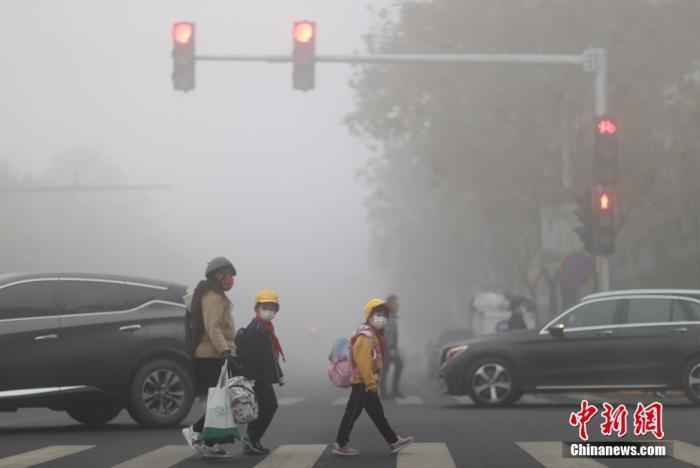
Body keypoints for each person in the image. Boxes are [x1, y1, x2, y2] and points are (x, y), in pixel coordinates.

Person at [332, 298, 414, 456]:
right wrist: (371, 385)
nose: (382, 317)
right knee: (352, 413)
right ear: (369, 315)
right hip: (362, 382)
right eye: (378, 313)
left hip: (367, 382)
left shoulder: (374, 334)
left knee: (375, 413)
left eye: (384, 315)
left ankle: (393, 441)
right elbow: (363, 363)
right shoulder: (366, 336)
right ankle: (341, 444)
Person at [181, 256, 238, 458]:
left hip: (215, 355)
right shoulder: (213, 297)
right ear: (218, 274)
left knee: (223, 401)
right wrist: (225, 350)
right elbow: (212, 328)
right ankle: (196, 431)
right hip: (212, 356)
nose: (231, 279)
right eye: (228, 275)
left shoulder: (216, 296)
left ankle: (210, 442)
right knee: (223, 401)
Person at [239, 289, 285, 456]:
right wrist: (249, 379)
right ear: (257, 308)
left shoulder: (266, 328)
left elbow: (270, 356)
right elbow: (250, 355)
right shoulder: (255, 328)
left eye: (272, 308)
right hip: (256, 377)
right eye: (265, 307)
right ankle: (251, 438)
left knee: (263, 407)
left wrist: (278, 375)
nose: (269, 311)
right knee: (269, 405)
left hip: (261, 376)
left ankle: (251, 440)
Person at [380, 294, 404, 399]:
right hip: (387, 348)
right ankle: (385, 392)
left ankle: (393, 391)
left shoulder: (391, 315)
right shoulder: (387, 316)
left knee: (396, 366)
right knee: (387, 369)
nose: (397, 306)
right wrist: (391, 349)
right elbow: (386, 334)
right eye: (395, 304)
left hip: (390, 348)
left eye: (397, 304)